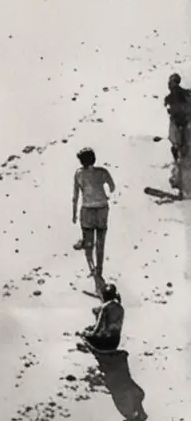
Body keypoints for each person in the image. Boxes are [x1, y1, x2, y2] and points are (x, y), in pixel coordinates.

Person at [72, 147, 115, 284]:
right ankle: (100, 269)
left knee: (89, 241)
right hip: (102, 208)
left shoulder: (78, 174)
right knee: (101, 241)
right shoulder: (102, 172)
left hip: (87, 209)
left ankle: (91, 266)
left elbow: (75, 196)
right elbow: (112, 187)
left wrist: (74, 214)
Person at [78, 285, 124, 352]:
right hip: (115, 343)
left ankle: (88, 348)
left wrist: (85, 333)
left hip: (104, 343)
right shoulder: (120, 308)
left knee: (85, 333)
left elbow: (96, 331)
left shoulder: (105, 308)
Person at [165, 73, 189, 188]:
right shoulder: (186, 94)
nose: (168, 84)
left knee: (179, 153)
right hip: (185, 128)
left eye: (170, 82)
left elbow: (177, 114)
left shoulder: (173, 96)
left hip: (181, 129)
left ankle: (180, 182)